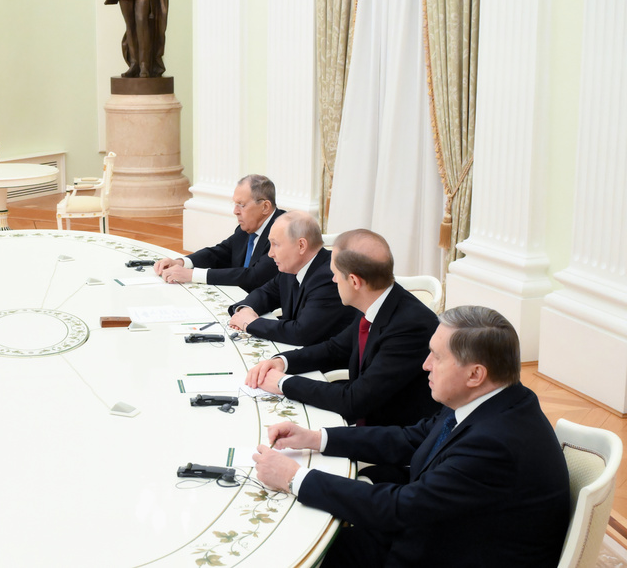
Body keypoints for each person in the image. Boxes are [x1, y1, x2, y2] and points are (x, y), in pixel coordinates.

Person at [252, 306, 570, 568]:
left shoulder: (495, 445)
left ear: (475, 374)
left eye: (437, 357)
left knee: (302, 550)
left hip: (451, 553)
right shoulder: (495, 397)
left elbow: (401, 509)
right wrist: (315, 437)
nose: (425, 365)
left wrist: (294, 478)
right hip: (446, 528)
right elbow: (412, 438)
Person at [245, 229, 438, 427]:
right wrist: (282, 362)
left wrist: (282, 383)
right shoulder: (379, 301)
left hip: (390, 436)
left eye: (335, 274)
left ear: (354, 281)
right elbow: (335, 349)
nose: (334, 280)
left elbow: (354, 401)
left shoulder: (411, 327)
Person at [227, 211, 356, 345]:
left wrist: (251, 323)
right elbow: (266, 293)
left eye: (275, 244)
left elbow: (301, 333)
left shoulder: (329, 277)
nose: (270, 254)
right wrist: (245, 309)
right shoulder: (292, 267)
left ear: (301, 246)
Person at [154, 175, 283, 293]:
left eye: (242, 205)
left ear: (265, 207)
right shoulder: (247, 228)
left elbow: (254, 276)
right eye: (235, 204)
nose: (235, 211)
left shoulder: (283, 231)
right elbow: (220, 252)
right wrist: (182, 263)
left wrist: (191, 275)